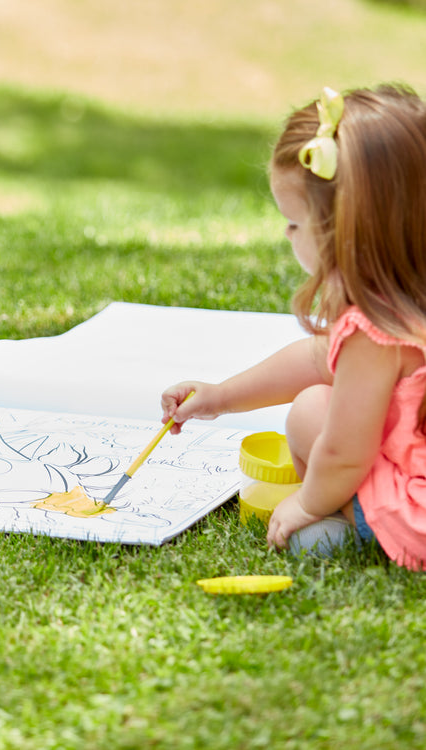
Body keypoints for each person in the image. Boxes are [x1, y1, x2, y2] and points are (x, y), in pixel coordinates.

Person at [161, 84, 426, 570]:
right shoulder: (410, 299)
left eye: (295, 223)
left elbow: (346, 451)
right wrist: (220, 396)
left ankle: (346, 521)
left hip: (416, 515)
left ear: (346, 230)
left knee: (310, 412)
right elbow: (313, 359)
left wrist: (308, 503)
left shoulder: (374, 331)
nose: (287, 234)